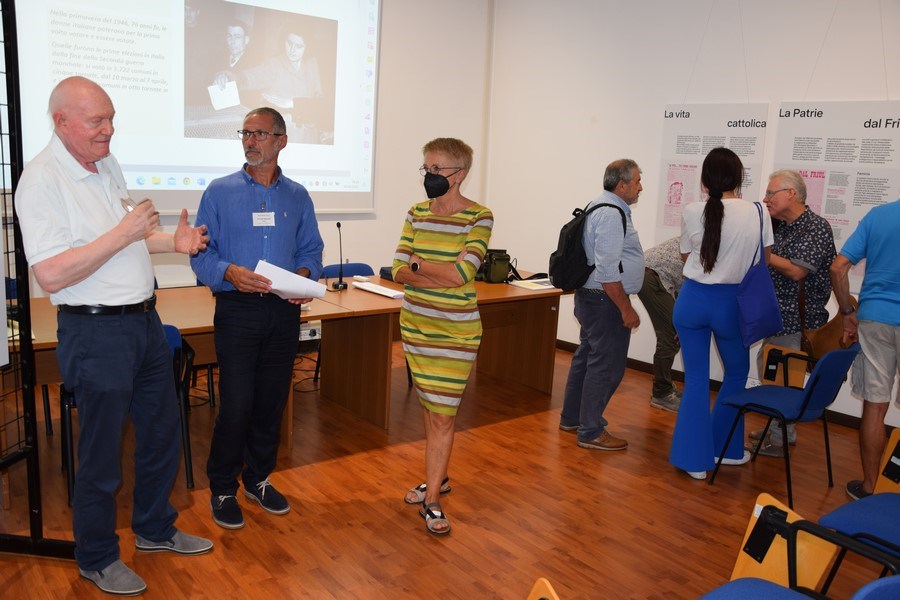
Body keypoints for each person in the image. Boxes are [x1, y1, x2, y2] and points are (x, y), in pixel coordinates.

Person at [14, 76, 212, 596]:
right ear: (61, 122)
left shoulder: (105, 164)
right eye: (97, 121)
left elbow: (131, 238)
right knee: (102, 455)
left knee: (163, 433)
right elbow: (51, 273)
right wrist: (124, 233)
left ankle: (154, 529)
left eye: (111, 118)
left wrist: (172, 242)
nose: (108, 130)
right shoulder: (40, 180)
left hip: (144, 323)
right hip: (95, 330)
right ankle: (97, 557)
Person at [190, 107, 324, 529]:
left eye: (259, 134)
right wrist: (228, 272)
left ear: (281, 141)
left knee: (271, 401)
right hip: (238, 309)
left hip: (283, 311)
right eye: (245, 133)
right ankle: (222, 487)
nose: (250, 141)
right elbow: (201, 254)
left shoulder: (298, 196)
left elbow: (311, 250)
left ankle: (258, 479)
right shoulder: (219, 192)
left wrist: (302, 277)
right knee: (236, 405)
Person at [393, 138, 493, 536]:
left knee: (441, 414)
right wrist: (432, 270)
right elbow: (397, 269)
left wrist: (419, 265)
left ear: (460, 174)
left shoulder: (479, 216)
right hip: (417, 326)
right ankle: (439, 477)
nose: (430, 176)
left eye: (438, 169)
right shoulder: (416, 213)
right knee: (431, 408)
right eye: (427, 168)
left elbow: (462, 274)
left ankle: (432, 500)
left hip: (455, 333)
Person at [670, 147, 774, 480]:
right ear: (738, 178)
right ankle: (725, 448)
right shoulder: (758, 211)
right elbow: (764, 260)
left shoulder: (691, 210)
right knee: (736, 373)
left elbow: (686, 256)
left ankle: (693, 460)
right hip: (731, 304)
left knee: (695, 380)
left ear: (705, 180)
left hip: (692, 301)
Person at [747, 169, 836, 457]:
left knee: (784, 378)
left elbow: (798, 271)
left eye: (770, 193)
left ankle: (780, 438)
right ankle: (778, 428)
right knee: (772, 372)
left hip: (797, 320)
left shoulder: (816, 227)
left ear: (791, 194)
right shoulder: (781, 227)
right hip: (776, 316)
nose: (766, 199)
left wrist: (764, 253)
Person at [559, 159, 645, 450]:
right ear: (622, 185)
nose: (640, 187)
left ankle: (573, 419)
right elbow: (608, 272)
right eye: (637, 181)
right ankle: (591, 431)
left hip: (593, 299)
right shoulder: (610, 214)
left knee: (587, 359)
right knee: (606, 366)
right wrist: (626, 309)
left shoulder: (601, 205)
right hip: (604, 301)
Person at [830, 199, 900, 500]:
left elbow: (838, 267)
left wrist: (847, 311)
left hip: (875, 318)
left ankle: (870, 487)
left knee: (875, 404)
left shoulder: (879, 215)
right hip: (878, 320)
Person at [637, 236, 684, 412]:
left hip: (653, 275)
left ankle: (665, 386)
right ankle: (661, 393)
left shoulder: (702, 236)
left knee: (672, 333)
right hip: (651, 275)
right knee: (670, 335)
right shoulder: (705, 241)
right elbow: (688, 290)